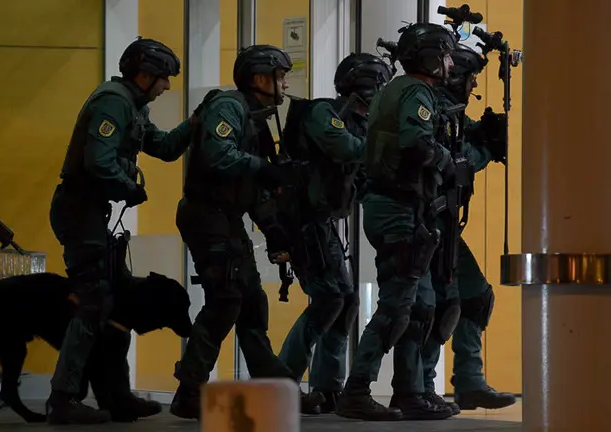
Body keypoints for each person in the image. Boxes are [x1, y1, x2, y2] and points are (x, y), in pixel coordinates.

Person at [169, 44, 322, 420]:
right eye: (280, 76)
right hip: (207, 217)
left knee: (251, 302)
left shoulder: (256, 117)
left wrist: (273, 229)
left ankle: (275, 389)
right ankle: (189, 391)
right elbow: (219, 156)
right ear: (260, 78)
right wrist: (263, 169)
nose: (284, 84)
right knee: (225, 300)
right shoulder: (230, 107)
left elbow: (253, 187)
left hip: (227, 218)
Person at [47, 37, 194, 424]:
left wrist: (196, 124)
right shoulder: (113, 101)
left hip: (92, 211)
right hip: (80, 210)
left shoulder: (133, 105)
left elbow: (161, 146)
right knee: (93, 302)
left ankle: (116, 396)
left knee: (118, 304)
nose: (166, 87)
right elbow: (99, 162)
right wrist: (130, 188)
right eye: (163, 79)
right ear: (144, 74)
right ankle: (63, 399)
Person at [334, 22, 460, 421]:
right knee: (396, 306)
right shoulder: (415, 91)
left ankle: (411, 391)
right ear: (428, 57)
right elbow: (416, 141)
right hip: (396, 208)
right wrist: (448, 162)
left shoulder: (398, 90)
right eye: (445, 54)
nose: (450, 61)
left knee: (421, 304)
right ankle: (356, 391)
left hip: (400, 207)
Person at [275, 52, 392, 414]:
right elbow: (347, 148)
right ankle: (282, 383)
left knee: (346, 301)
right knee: (329, 299)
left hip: (322, 220)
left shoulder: (357, 124)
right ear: (367, 89)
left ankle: (327, 388)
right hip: (301, 219)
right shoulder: (323, 113)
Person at [420, 44, 514, 415]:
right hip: (426, 222)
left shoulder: (452, 111)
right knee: (439, 306)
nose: (474, 85)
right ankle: (421, 385)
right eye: (471, 77)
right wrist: (485, 151)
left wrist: (488, 132)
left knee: (475, 297)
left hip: (445, 226)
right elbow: (453, 163)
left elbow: (468, 135)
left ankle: (470, 382)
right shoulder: (431, 109)